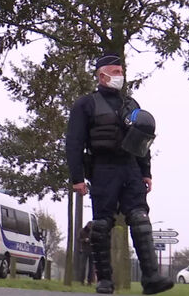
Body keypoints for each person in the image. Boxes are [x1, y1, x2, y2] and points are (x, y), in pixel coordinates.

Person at [66, 53, 173, 295]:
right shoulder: (86, 104)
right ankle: (105, 281)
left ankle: (151, 278)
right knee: (102, 225)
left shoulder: (131, 105)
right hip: (103, 169)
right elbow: (74, 142)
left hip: (130, 168)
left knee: (140, 218)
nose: (119, 76)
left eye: (121, 72)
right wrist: (77, 178)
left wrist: (146, 172)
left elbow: (143, 141)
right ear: (101, 74)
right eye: (115, 72)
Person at [79, 221, 95, 285]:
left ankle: (89, 281)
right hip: (84, 250)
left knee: (91, 267)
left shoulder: (93, 232)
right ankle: (82, 281)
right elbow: (79, 239)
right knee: (83, 266)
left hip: (91, 250)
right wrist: (84, 240)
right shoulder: (82, 231)